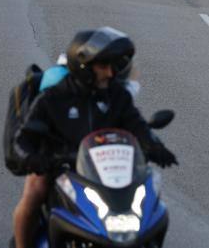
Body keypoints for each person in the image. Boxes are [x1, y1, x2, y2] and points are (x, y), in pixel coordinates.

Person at [11, 27, 177, 248]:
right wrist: (34, 158)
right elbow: (23, 138)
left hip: (106, 171)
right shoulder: (53, 98)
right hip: (60, 167)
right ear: (84, 66)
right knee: (35, 192)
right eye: (103, 66)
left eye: (112, 67)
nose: (110, 73)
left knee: (152, 205)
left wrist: (154, 145)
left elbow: (136, 125)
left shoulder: (116, 95)